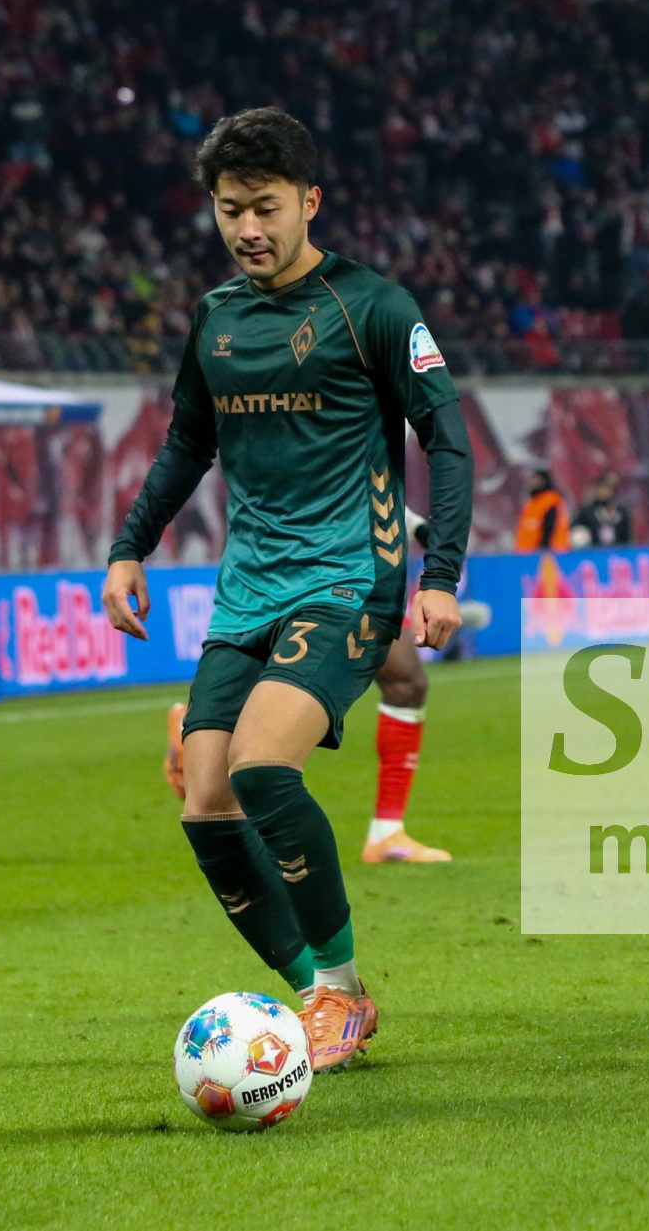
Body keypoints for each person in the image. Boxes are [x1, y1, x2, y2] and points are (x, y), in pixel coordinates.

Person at [102, 107, 473, 1071]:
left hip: (351, 577)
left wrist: (440, 576)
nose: (247, 228)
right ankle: (315, 991)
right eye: (230, 209)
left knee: (264, 768)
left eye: (264, 207)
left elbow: (446, 438)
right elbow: (188, 443)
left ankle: (342, 991)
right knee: (206, 804)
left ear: (310, 201)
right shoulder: (216, 317)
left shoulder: (373, 306)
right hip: (248, 588)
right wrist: (129, 547)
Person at [163, 506, 455, 866]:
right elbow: (352, 479)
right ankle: (202, 730)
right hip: (330, 559)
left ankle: (386, 832)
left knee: (406, 684)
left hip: (361, 557)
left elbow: (373, 482)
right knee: (313, 681)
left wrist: (413, 525)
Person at [571, 472, 632, 548]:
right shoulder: (588, 511)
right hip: (594, 551)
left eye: (608, 488)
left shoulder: (621, 511)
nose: (604, 491)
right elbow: (575, 527)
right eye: (602, 488)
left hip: (618, 550)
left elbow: (627, 535)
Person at [515, 468, 570, 551]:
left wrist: (543, 548)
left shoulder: (550, 500)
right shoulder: (532, 502)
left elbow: (549, 527)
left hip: (548, 553)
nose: (531, 482)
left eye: (535, 479)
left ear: (543, 481)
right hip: (528, 552)